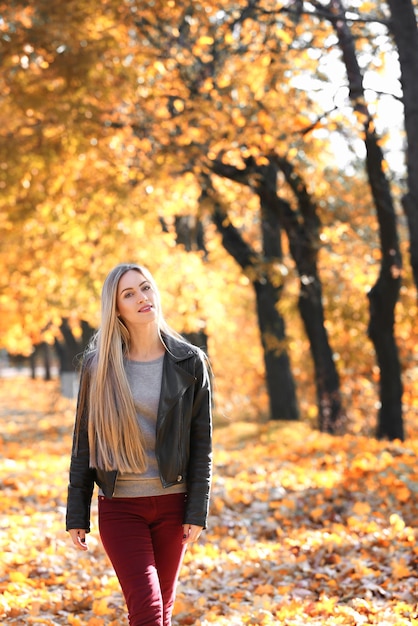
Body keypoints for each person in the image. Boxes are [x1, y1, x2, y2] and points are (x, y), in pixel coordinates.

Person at [66, 263, 212, 626]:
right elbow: (84, 439)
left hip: (173, 505)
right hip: (120, 507)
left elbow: (201, 443)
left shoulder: (189, 361)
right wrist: (76, 513)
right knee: (147, 613)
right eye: (128, 294)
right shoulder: (98, 367)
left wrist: (197, 510)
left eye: (145, 288)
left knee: (160, 612)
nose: (142, 298)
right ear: (116, 308)